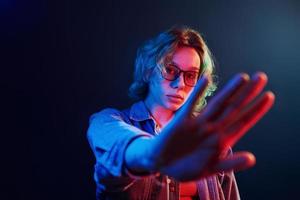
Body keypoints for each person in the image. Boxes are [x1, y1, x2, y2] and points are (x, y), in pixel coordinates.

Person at [87, 26, 275, 200]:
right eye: (170, 70)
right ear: (148, 72)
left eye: (191, 75)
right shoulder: (107, 121)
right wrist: (154, 154)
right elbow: (120, 150)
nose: (180, 84)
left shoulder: (208, 139)